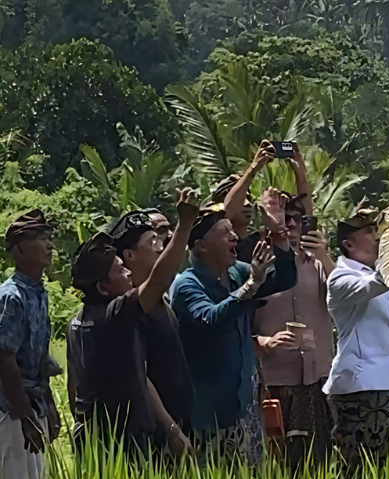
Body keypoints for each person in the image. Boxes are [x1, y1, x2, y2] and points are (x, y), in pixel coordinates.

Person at [67, 191, 200, 460]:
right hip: (125, 444)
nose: (127, 273)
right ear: (103, 287)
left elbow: (73, 392)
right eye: (120, 270)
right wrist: (184, 225)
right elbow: (159, 280)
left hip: (94, 440)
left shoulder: (76, 323)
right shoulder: (115, 315)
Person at [171, 193, 297, 463]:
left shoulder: (237, 272)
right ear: (201, 247)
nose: (235, 238)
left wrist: (279, 236)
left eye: (232, 231)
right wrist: (251, 285)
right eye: (224, 233)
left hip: (245, 409)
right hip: (209, 416)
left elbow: (285, 279)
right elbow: (211, 318)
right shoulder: (187, 285)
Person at [252, 193, 335, 471]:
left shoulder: (317, 264)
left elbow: (344, 297)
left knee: (321, 463)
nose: (290, 225)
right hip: (276, 383)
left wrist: (325, 256)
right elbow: (238, 325)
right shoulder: (257, 269)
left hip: (318, 380)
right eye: (283, 219)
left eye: (296, 219)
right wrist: (265, 342)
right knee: (280, 465)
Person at [324, 203, 389, 479]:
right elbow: (378, 283)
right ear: (349, 243)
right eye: (371, 231)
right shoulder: (340, 278)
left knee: (386, 474)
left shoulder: (378, 274)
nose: (378, 237)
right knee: (355, 472)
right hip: (360, 386)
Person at [107, 208, 194, 434]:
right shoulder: (129, 307)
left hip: (177, 421)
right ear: (130, 255)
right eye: (152, 240)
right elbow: (142, 378)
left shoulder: (160, 299)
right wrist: (171, 429)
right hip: (156, 431)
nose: (161, 246)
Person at [0, 210, 60, 479]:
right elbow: (5, 360)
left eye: (49, 238)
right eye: (40, 239)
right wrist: (26, 417)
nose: (49, 245)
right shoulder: (11, 297)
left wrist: (48, 403)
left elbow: (41, 357)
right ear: (20, 249)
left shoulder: (39, 293)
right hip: (9, 412)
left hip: (30, 405)